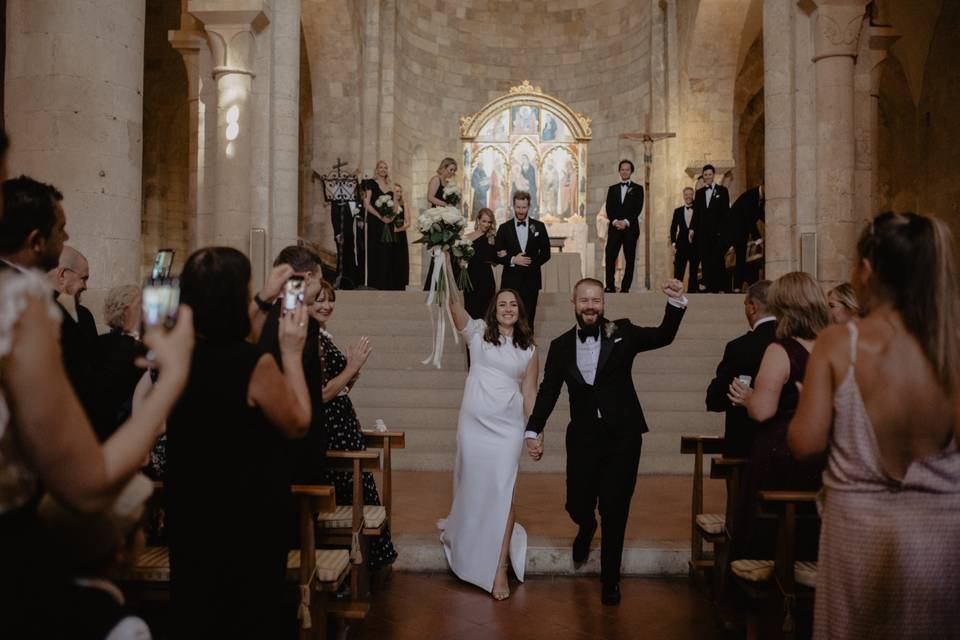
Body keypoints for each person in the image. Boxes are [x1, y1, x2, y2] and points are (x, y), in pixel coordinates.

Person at [788, 212, 960, 638]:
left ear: (865, 271)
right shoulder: (951, 349)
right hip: (940, 537)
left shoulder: (837, 343)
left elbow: (805, 443)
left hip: (857, 531)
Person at [164, 247, 311, 638]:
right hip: (246, 514)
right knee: (247, 615)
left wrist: (264, 298)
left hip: (192, 508)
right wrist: (292, 352)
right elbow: (297, 422)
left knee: (198, 610)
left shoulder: (176, 355)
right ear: (236, 298)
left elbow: (219, 336)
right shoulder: (255, 365)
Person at [525, 277, 688, 605]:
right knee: (577, 503)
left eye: (595, 301)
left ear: (603, 304)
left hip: (623, 436)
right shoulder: (559, 346)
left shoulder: (622, 332)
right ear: (574, 303)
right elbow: (548, 391)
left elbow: (663, 335)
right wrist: (533, 429)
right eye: (584, 300)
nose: (590, 306)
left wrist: (675, 303)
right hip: (583, 438)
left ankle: (610, 580)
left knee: (616, 508)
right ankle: (586, 526)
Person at [440, 267, 539, 600]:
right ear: (494, 311)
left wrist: (533, 433)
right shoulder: (479, 333)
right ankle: (468, 541)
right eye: (502, 304)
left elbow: (530, 394)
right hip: (474, 425)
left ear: (520, 311)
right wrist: (446, 261)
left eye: (513, 305)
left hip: (508, 428)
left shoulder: (530, 350)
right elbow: (455, 308)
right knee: (473, 485)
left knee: (505, 490)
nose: (508, 309)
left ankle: (498, 568)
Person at [727, 271, 829, 558]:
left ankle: (765, 591)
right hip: (823, 449)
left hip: (784, 451)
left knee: (768, 536)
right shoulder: (833, 346)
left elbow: (762, 411)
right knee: (811, 531)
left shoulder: (781, 350)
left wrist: (748, 398)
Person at [309, 280, 398, 568]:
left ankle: (366, 561)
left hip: (342, 422)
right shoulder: (311, 341)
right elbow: (320, 393)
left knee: (357, 485)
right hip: (332, 428)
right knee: (349, 487)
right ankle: (355, 562)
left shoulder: (321, 336)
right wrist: (351, 367)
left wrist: (351, 374)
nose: (326, 305)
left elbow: (337, 387)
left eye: (330, 299)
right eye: (319, 300)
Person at [38, 474, 156, 639]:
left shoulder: (39, 606)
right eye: (140, 528)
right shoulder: (127, 630)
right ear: (121, 548)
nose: (144, 535)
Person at [257, 246, 328, 483]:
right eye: (319, 280)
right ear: (308, 277)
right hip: (299, 425)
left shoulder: (261, 316)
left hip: (264, 428)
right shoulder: (303, 322)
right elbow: (306, 376)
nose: (319, 288)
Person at [705, 280, 775, 457]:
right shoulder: (794, 341)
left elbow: (716, 399)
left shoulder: (740, 347)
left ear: (752, 306)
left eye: (745, 303)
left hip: (746, 443)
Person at [49, 245, 100, 416]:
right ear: (62, 275)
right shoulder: (37, 313)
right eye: (83, 278)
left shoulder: (84, 315)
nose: (85, 286)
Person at [93, 284, 148, 441]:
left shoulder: (100, 341)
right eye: (142, 305)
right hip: (124, 429)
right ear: (128, 310)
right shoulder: (136, 349)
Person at [494, 191, 551, 326]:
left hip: (532, 280)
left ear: (529, 206)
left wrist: (530, 262)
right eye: (518, 207)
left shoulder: (539, 226)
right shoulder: (504, 228)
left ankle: (527, 346)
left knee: (529, 319)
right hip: (510, 281)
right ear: (513, 206)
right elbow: (497, 253)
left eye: (524, 207)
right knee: (508, 320)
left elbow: (546, 253)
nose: (520, 211)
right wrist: (513, 259)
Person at [363, 161, 409, 290]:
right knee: (376, 250)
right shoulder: (371, 183)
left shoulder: (391, 186)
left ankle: (387, 283)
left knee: (388, 251)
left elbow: (395, 206)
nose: (383, 170)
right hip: (376, 222)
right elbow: (367, 203)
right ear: (376, 170)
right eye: (380, 167)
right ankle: (375, 283)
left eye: (385, 168)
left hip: (388, 222)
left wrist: (391, 217)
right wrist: (380, 217)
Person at [604, 160, 644, 293]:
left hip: (630, 229)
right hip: (614, 228)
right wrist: (615, 221)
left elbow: (637, 208)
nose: (624, 171)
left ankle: (625, 287)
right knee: (610, 256)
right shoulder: (612, 188)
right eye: (622, 169)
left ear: (631, 171)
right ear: (619, 171)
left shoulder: (638, 189)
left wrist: (626, 222)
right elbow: (609, 208)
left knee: (630, 258)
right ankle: (609, 286)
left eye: (627, 169)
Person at [691, 164, 730, 293]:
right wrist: (692, 229)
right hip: (703, 233)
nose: (707, 177)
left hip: (718, 232)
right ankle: (708, 285)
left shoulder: (722, 191)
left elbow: (726, 213)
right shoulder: (699, 193)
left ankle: (722, 286)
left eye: (709, 174)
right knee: (705, 259)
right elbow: (696, 214)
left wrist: (724, 231)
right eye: (705, 175)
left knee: (718, 259)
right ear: (703, 176)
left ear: (713, 175)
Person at [423, 157, 458, 290]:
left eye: (454, 170)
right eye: (450, 169)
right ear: (443, 167)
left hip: (446, 220)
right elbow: (430, 197)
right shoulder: (435, 179)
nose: (452, 172)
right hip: (436, 220)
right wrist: (446, 205)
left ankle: (445, 286)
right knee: (438, 253)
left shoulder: (449, 183)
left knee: (447, 253)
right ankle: (433, 286)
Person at [461, 207, 499, 319]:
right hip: (470, 279)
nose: (487, 225)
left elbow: (495, 262)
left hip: (486, 279)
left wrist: (499, 255)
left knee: (486, 314)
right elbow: (461, 259)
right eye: (484, 221)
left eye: (489, 222)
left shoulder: (492, 238)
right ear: (478, 220)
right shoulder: (467, 237)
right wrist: (461, 261)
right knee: (470, 311)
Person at [728, 185, 764, 292]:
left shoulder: (761, 198)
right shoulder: (750, 195)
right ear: (764, 186)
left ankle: (737, 287)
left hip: (742, 232)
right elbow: (749, 218)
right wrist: (757, 238)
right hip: (731, 229)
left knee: (741, 258)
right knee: (721, 256)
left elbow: (760, 214)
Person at [670, 187, 697, 291]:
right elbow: (673, 228)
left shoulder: (698, 210)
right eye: (686, 194)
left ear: (693, 195)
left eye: (690, 194)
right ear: (683, 196)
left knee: (693, 271)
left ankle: (692, 294)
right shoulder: (678, 211)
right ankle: (677, 294)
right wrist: (673, 243)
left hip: (695, 244)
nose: (688, 197)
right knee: (679, 271)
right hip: (681, 245)